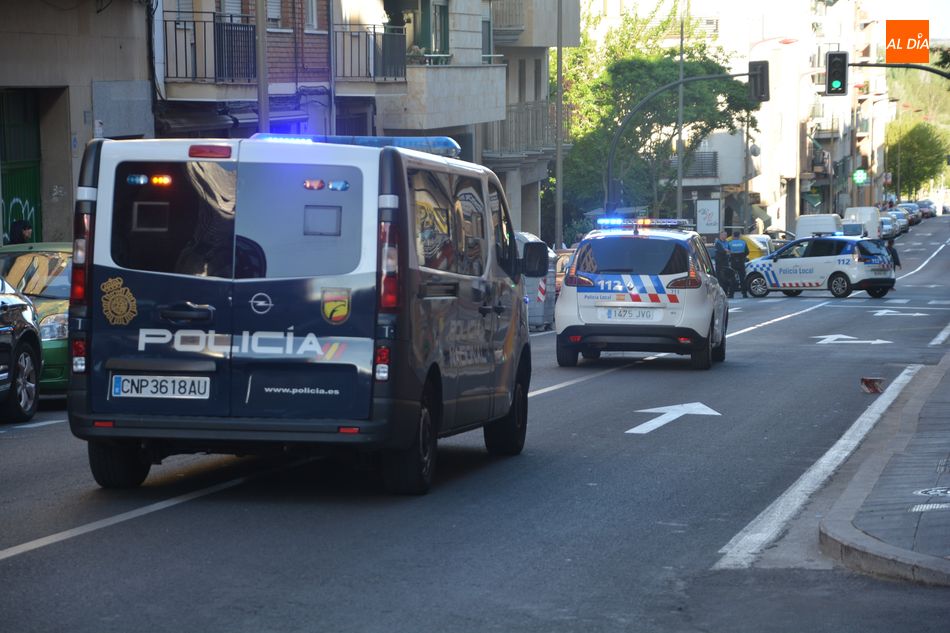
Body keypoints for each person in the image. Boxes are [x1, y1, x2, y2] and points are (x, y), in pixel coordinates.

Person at [727, 230, 750, 298]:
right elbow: (747, 252)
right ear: (739, 236)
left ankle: (731, 294)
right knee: (742, 278)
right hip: (741, 262)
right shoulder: (743, 243)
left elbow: (727, 252)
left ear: (733, 236)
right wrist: (743, 256)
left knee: (732, 279)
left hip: (733, 262)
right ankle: (744, 294)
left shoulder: (730, 243)